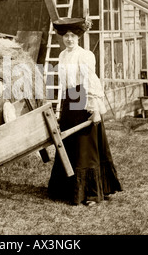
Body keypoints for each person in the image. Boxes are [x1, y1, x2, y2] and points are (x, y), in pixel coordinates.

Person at [47, 17, 122, 206]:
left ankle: (91, 193)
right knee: (68, 144)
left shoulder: (85, 55)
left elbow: (90, 81)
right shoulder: (62, 56)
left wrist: (94, 108)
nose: (69, 39)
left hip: (84, 99)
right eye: (66, 36)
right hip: (69, 101)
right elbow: (63, 85)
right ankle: (68, 189)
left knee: (85, 147)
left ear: (79, 37)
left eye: (72, 36)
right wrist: (59, 108)